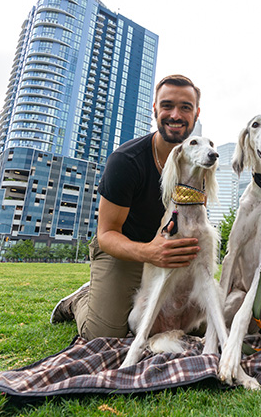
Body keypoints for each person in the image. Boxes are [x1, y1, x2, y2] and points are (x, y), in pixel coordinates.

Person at [51, 74, 203, 340]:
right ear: (154, 109)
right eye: (167, 105)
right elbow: (106, 233)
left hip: (166, 251)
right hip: (122, 249)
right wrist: (148, 252)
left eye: (185, 107)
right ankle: (80, 299)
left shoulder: (197, 163)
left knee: (197, 322)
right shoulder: (126, 160)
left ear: (196, 113)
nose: (175, 115)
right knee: (104, 334)